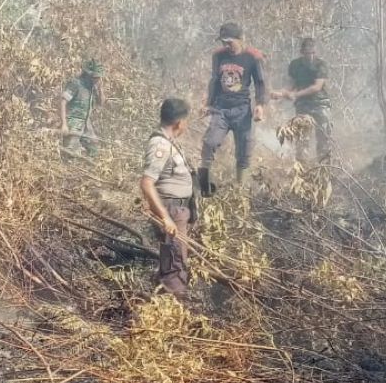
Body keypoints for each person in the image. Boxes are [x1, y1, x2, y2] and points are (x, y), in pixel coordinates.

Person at [198, 22, 267, 194]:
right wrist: (208, 104)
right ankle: (204, 188)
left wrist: (259, 105)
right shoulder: (218, 56)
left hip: (242, 109)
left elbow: (260, 82)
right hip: (221, 109)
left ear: (240, 39)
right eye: (223, 42)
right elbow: (214, 80)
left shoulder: (253, 56)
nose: (226, 46)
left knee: (244, 150)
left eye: (229, 42)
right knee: (209, 142)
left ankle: (240, 191)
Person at [141, 98, 194, 299]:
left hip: (177, 211)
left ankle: (166, 303)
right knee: (174, 264)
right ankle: (176, 311)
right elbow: (146, 182)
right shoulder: (160, 145)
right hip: (171, 210)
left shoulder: (170, 142)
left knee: (176, 259)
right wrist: (165, 217)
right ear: (179, 123)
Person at [272, 37, 333, 165]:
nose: (310, 56)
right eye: (307, 53)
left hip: (320, 104)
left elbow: (317, 87)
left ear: (316, 52)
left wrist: (296, 94)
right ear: (302, 52)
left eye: (312, 53)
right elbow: (291, 84)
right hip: (303, 105)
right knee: (302, 138)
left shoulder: (321, 65)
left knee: (323, 138)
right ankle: (302, 170)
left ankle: (324, 168)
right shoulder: (295, 65)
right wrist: (281, 93)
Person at [59, 60, 106, 158]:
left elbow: (101, 103)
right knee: (70, 153)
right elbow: (63, 102)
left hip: (86, 123)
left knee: (94, 148)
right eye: (95, 77)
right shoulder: (76, 83)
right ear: (89, 75)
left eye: (99, 77)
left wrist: (100, 88)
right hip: (73, 122)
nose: (97, 79)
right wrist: (64, 124)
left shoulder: (92, 87)